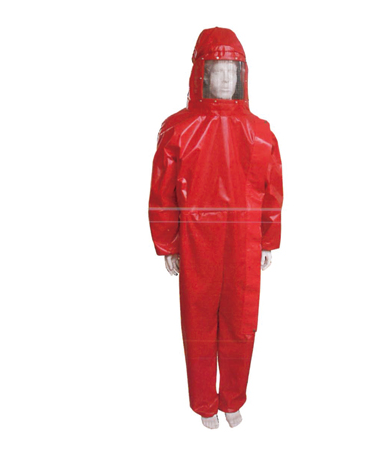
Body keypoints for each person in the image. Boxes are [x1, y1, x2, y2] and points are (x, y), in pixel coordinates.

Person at [148, 27, 283, 429]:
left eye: (231, 70)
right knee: (199, 323)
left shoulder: (261, 131)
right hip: (197, 241)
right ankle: (205, 402)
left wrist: (267, 239)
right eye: (217, 69)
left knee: (241, 323)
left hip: (243, 241)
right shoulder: (178, 128)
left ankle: (233, 398)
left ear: (242, 75)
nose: (225, 78)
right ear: (202, 74)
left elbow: (272, 189)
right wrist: (169, 243)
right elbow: (162, 191)